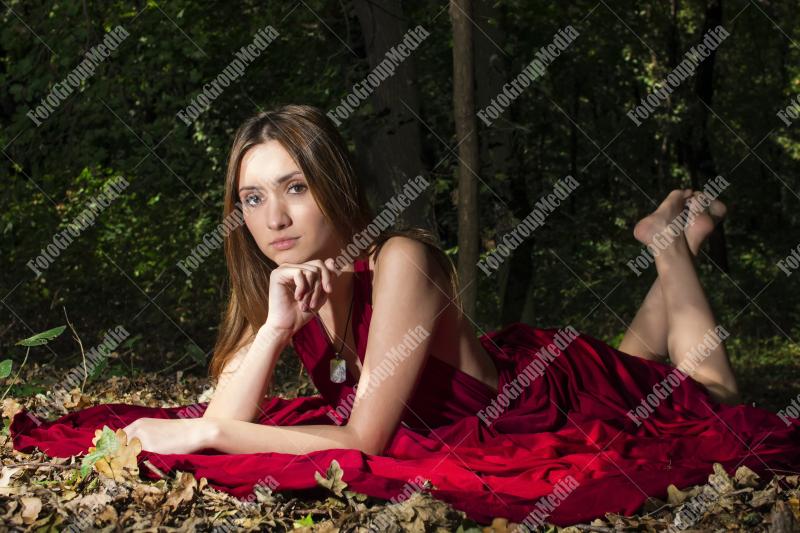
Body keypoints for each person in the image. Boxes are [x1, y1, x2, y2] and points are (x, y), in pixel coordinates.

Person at [12, 104, 800, 527]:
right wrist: (278, 328)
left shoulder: (402, 259)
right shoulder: (292, 280)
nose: (273, 217)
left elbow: (360, 441)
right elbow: (234, 404)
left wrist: (210, 433)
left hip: (538, 396)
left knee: (715, 401)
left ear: (333, 185)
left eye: (294, 186)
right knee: (648, 362)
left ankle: (668, 246)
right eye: (252, 197)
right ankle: (672, 246)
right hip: (493, 379)